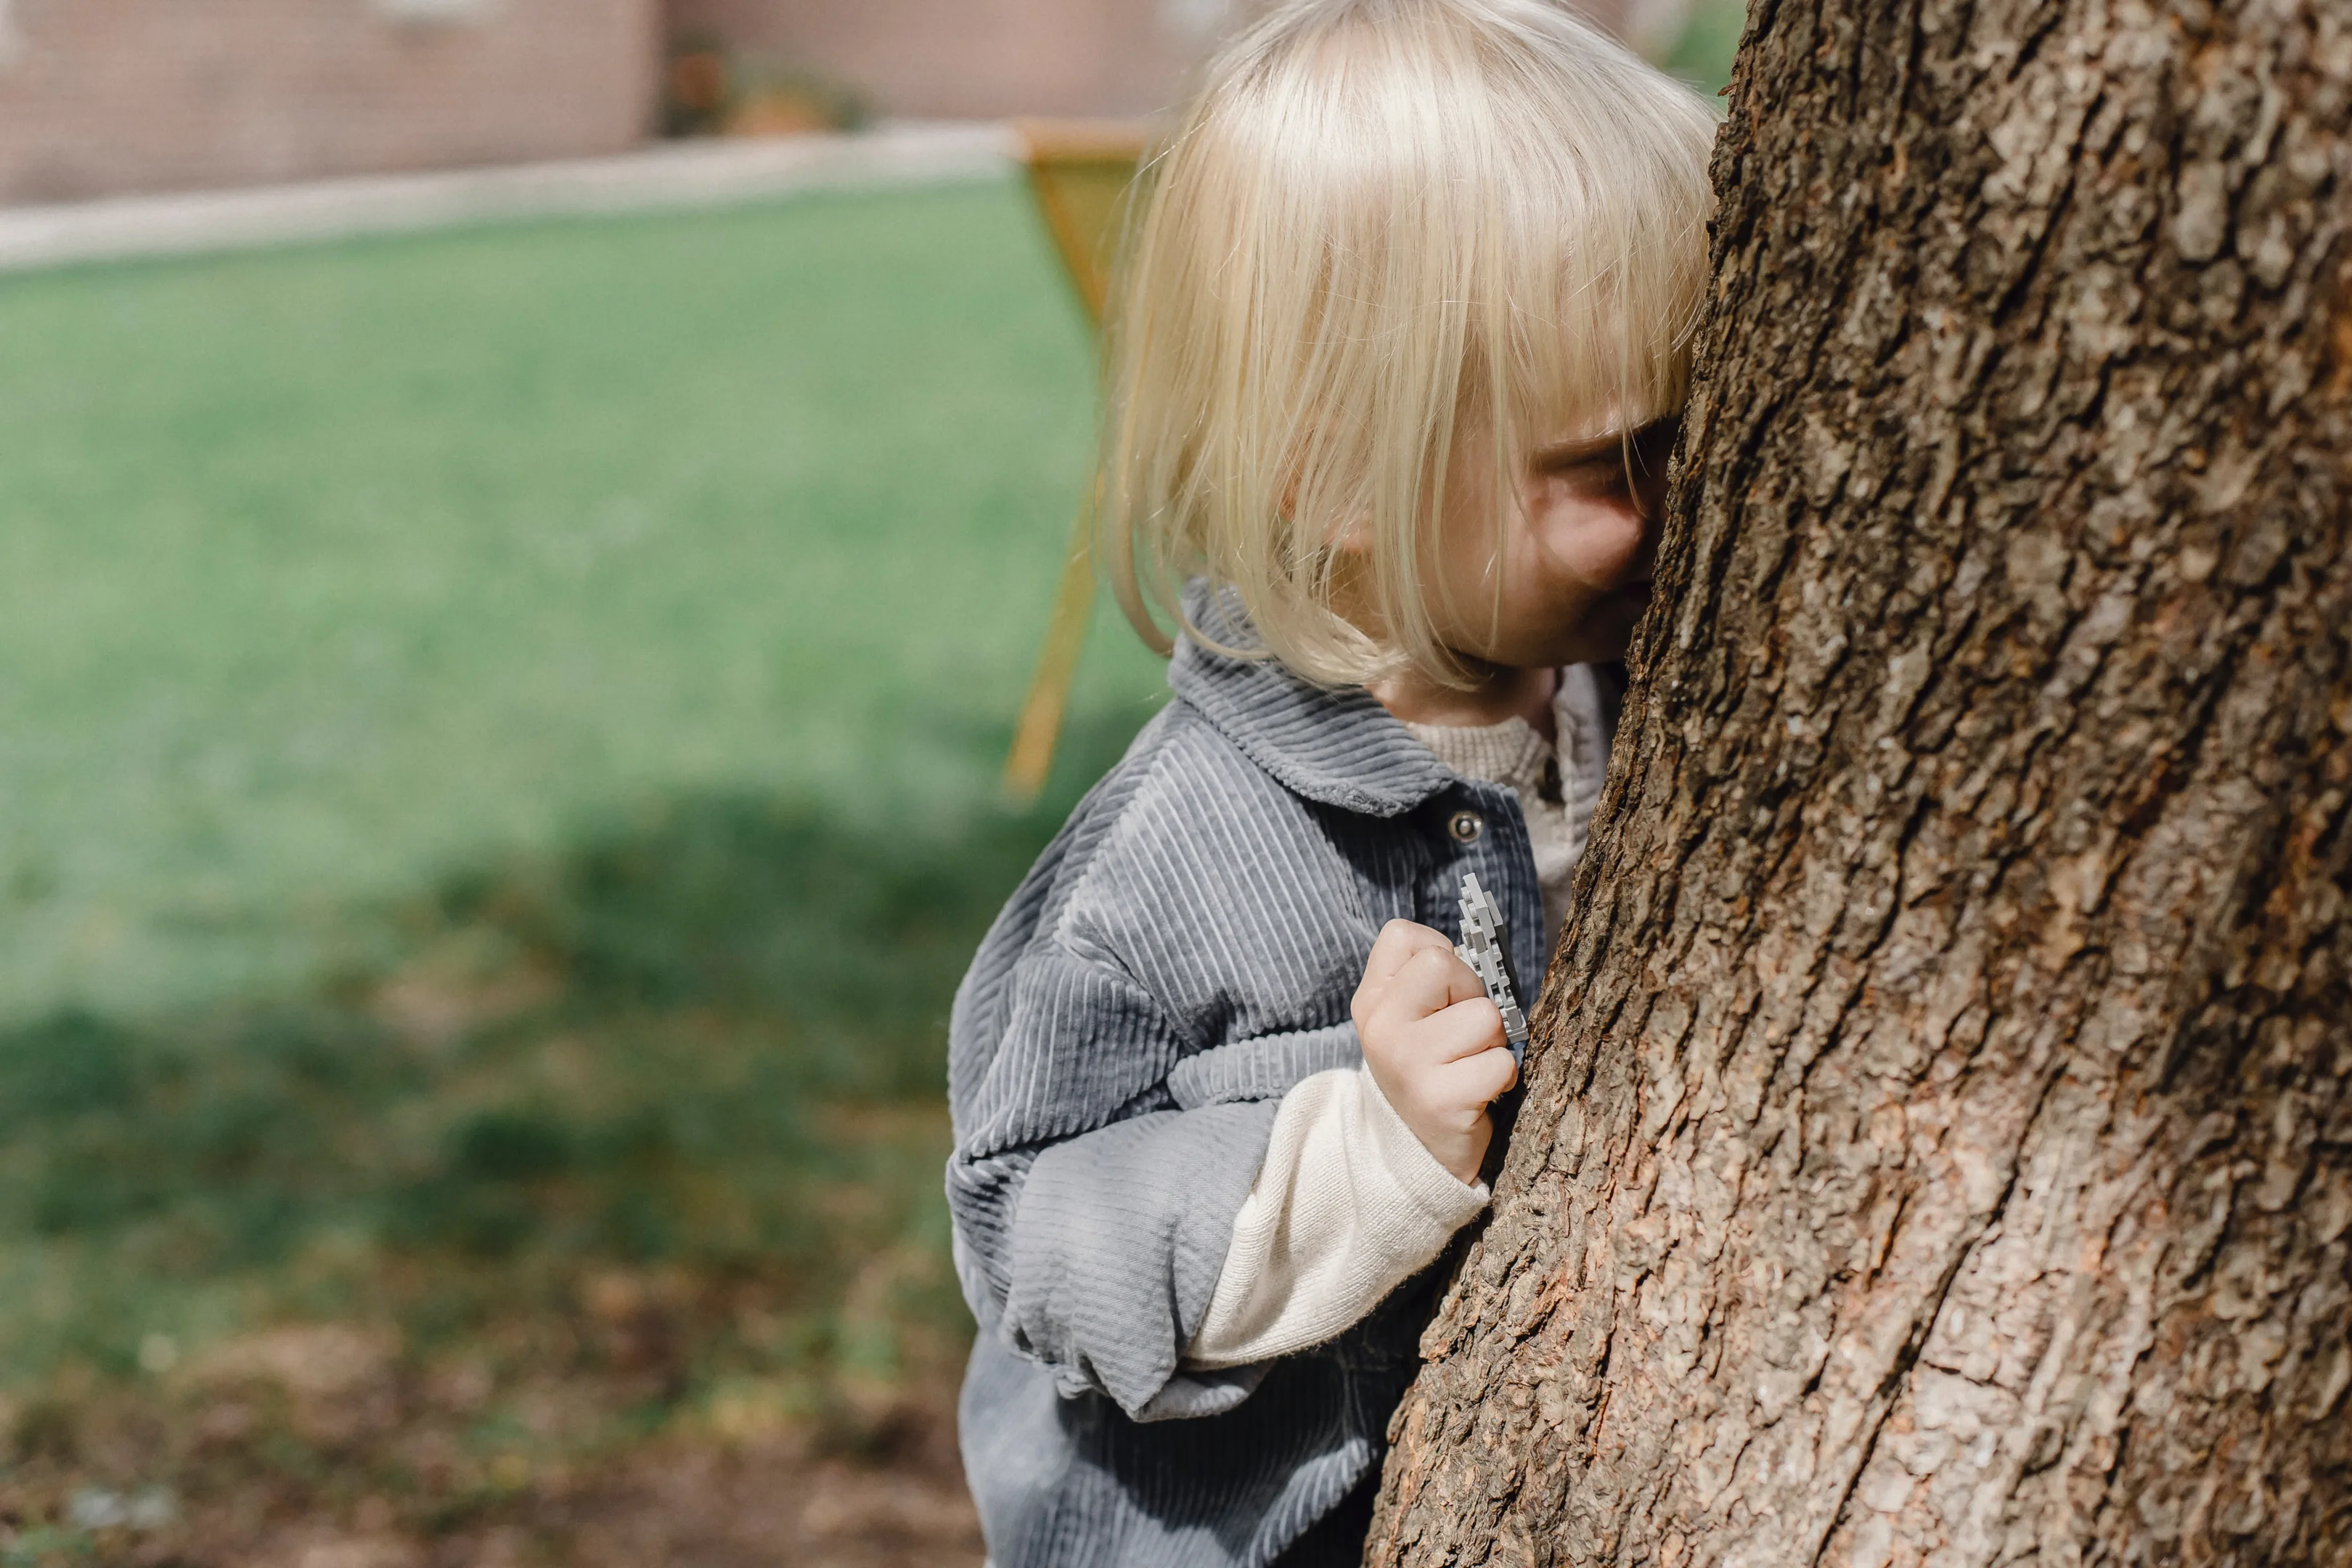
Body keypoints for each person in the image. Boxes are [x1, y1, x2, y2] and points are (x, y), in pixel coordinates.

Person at [946, 2, 1716, 1561]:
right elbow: (1029, 1226)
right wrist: (1359, 1154)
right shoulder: (1177, 863)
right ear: (1342, 477)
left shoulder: (1618, 686)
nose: (1689, 491)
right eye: (1609, 462)